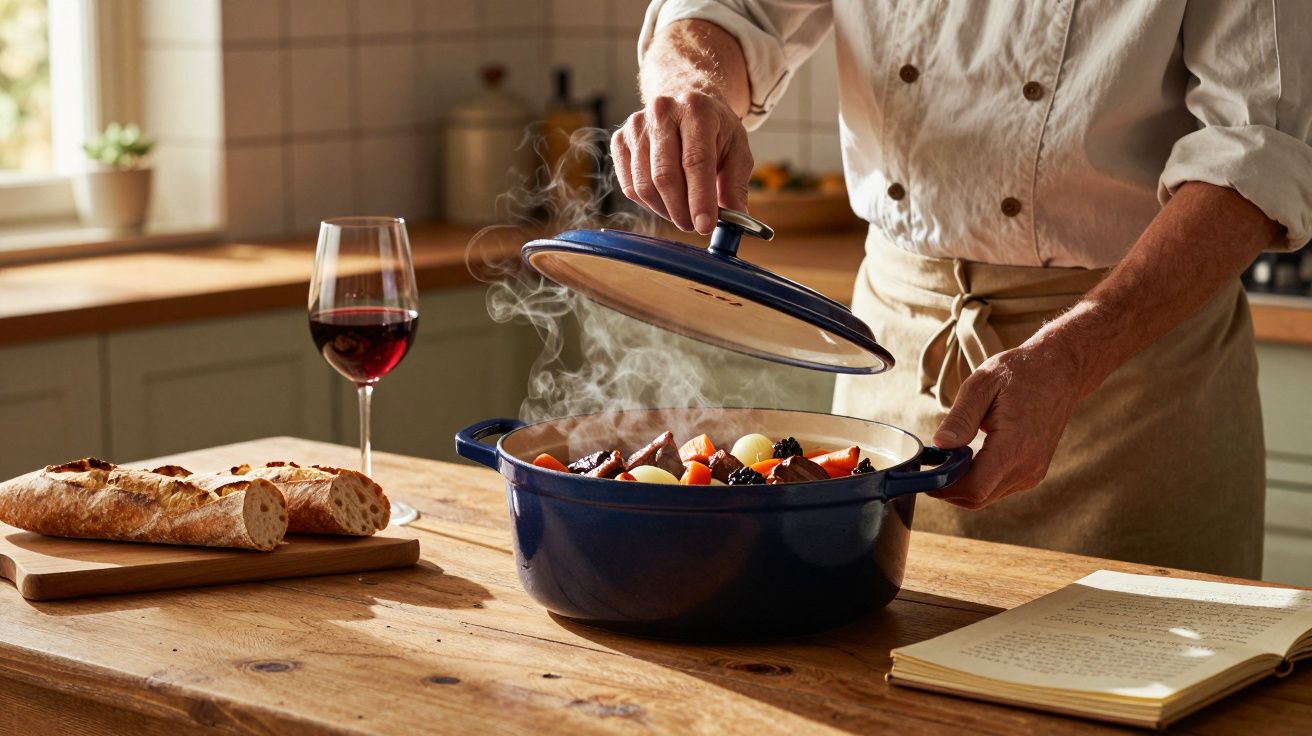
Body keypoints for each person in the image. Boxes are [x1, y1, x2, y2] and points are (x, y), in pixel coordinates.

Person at [611, 1, 1312, 578]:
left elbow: (1256, 148)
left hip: (1133, 378)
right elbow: (727, 11)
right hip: (893, 355)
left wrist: (1073, 356)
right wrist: (692, 86)